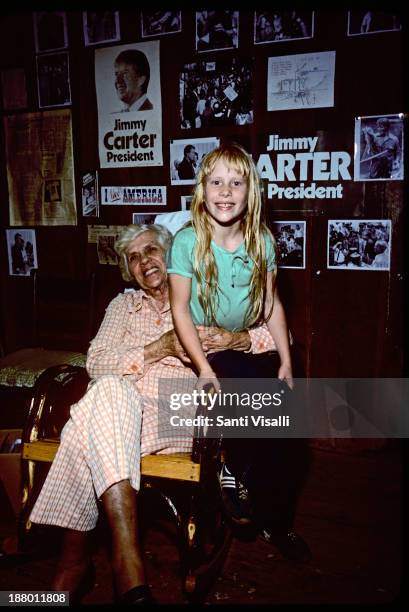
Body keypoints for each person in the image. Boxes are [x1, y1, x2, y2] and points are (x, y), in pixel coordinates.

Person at [29, 223, 276, 604]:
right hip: (117, 409)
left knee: (86, 423)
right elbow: (97, 362)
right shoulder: (122, 306)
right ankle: (127, 573)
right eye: (133, 258)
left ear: (171, 254)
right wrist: (156, 348)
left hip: (175, 415)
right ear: (128, 271)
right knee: (108, 394)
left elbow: (278, 338)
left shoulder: (205, 297)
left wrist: (235, 339)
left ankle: (75, 564)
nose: (144, 262)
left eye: (151, 251)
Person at [168, 143, 311, 560]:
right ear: (202, 189)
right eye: (216, 182)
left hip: (248, 342)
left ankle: (276, 521)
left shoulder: (261, 240)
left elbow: (271, 306)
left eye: (236, 182)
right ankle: (233, 470)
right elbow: (179, 309)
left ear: (251, 191)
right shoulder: (187, 241)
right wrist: (203, 368)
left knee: (288, 426)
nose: (225, 191)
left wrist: (286, 360)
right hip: (206, 345)